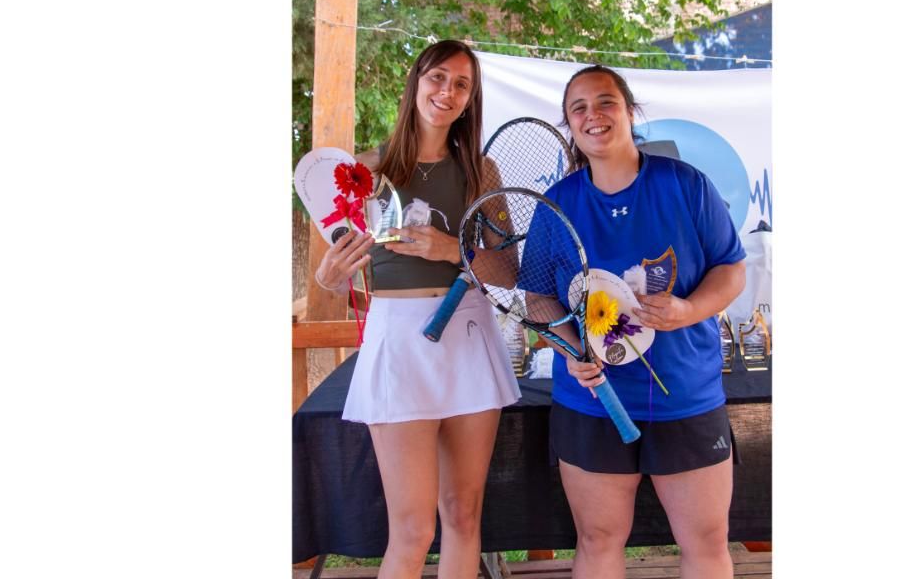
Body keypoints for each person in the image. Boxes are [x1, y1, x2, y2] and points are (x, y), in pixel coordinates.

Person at [315, 40, 520, 579]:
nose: (447, 92)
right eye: (437, 77)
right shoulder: (364, 170)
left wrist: (451, 250)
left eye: (461, 84)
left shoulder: (481, 170)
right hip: (399, 343)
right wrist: (328, 278)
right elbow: (340, 269)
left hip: (469, 337)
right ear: (416, 82)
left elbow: (507, 271)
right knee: (412, 530)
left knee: (463, 515)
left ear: (471, 99)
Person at [542, 65, 747, 579]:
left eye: (605, 102)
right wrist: (571, 350)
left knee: (705, 542)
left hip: (686, 395)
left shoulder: (685, 184)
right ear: (569, 124)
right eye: (578, 108)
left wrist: (689, 311)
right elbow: (538, 298)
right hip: (592, 403)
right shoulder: (557, 203)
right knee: (597, 540)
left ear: (630, 111)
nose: (593, 115)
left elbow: (731, 269)